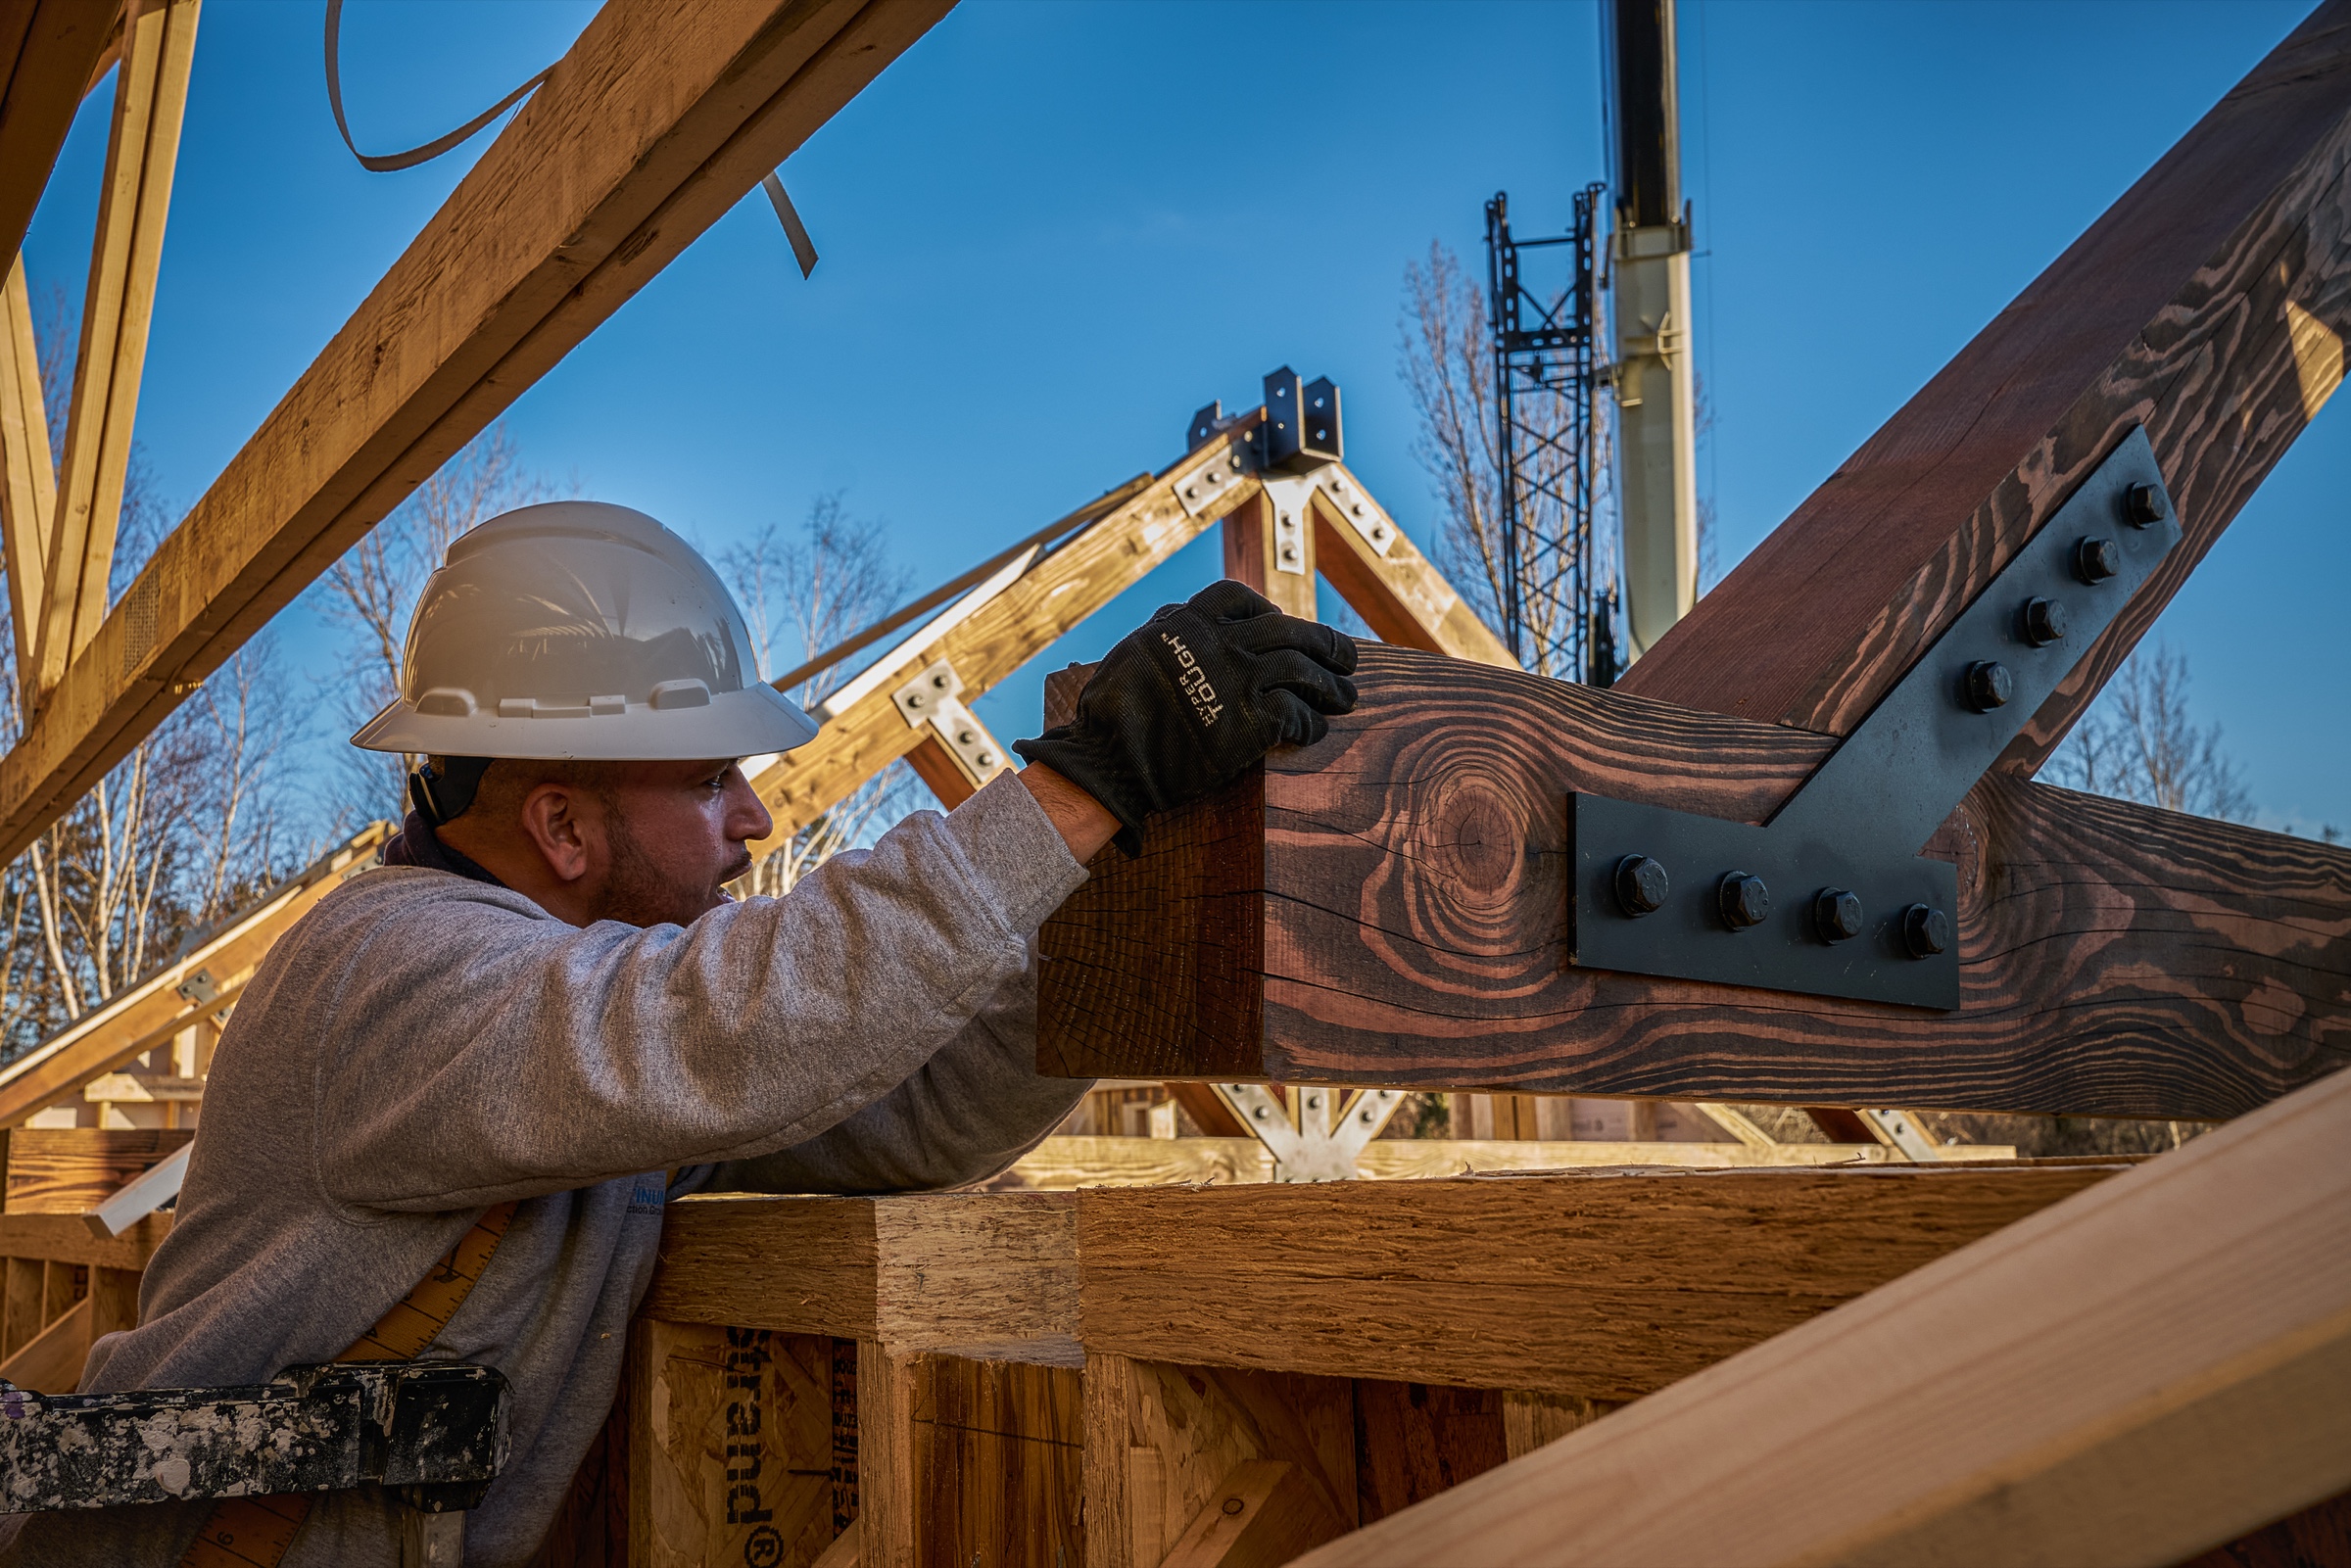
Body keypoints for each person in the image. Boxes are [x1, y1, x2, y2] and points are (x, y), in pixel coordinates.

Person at [0, 501, 1356, 1566]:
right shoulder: (389, 971)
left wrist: (1122, 877)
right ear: (563, 826)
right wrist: (1080, 784)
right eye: (711, 779)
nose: (754, 819)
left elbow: (917, 1104)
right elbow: (723, 1024)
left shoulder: (576, 1053)